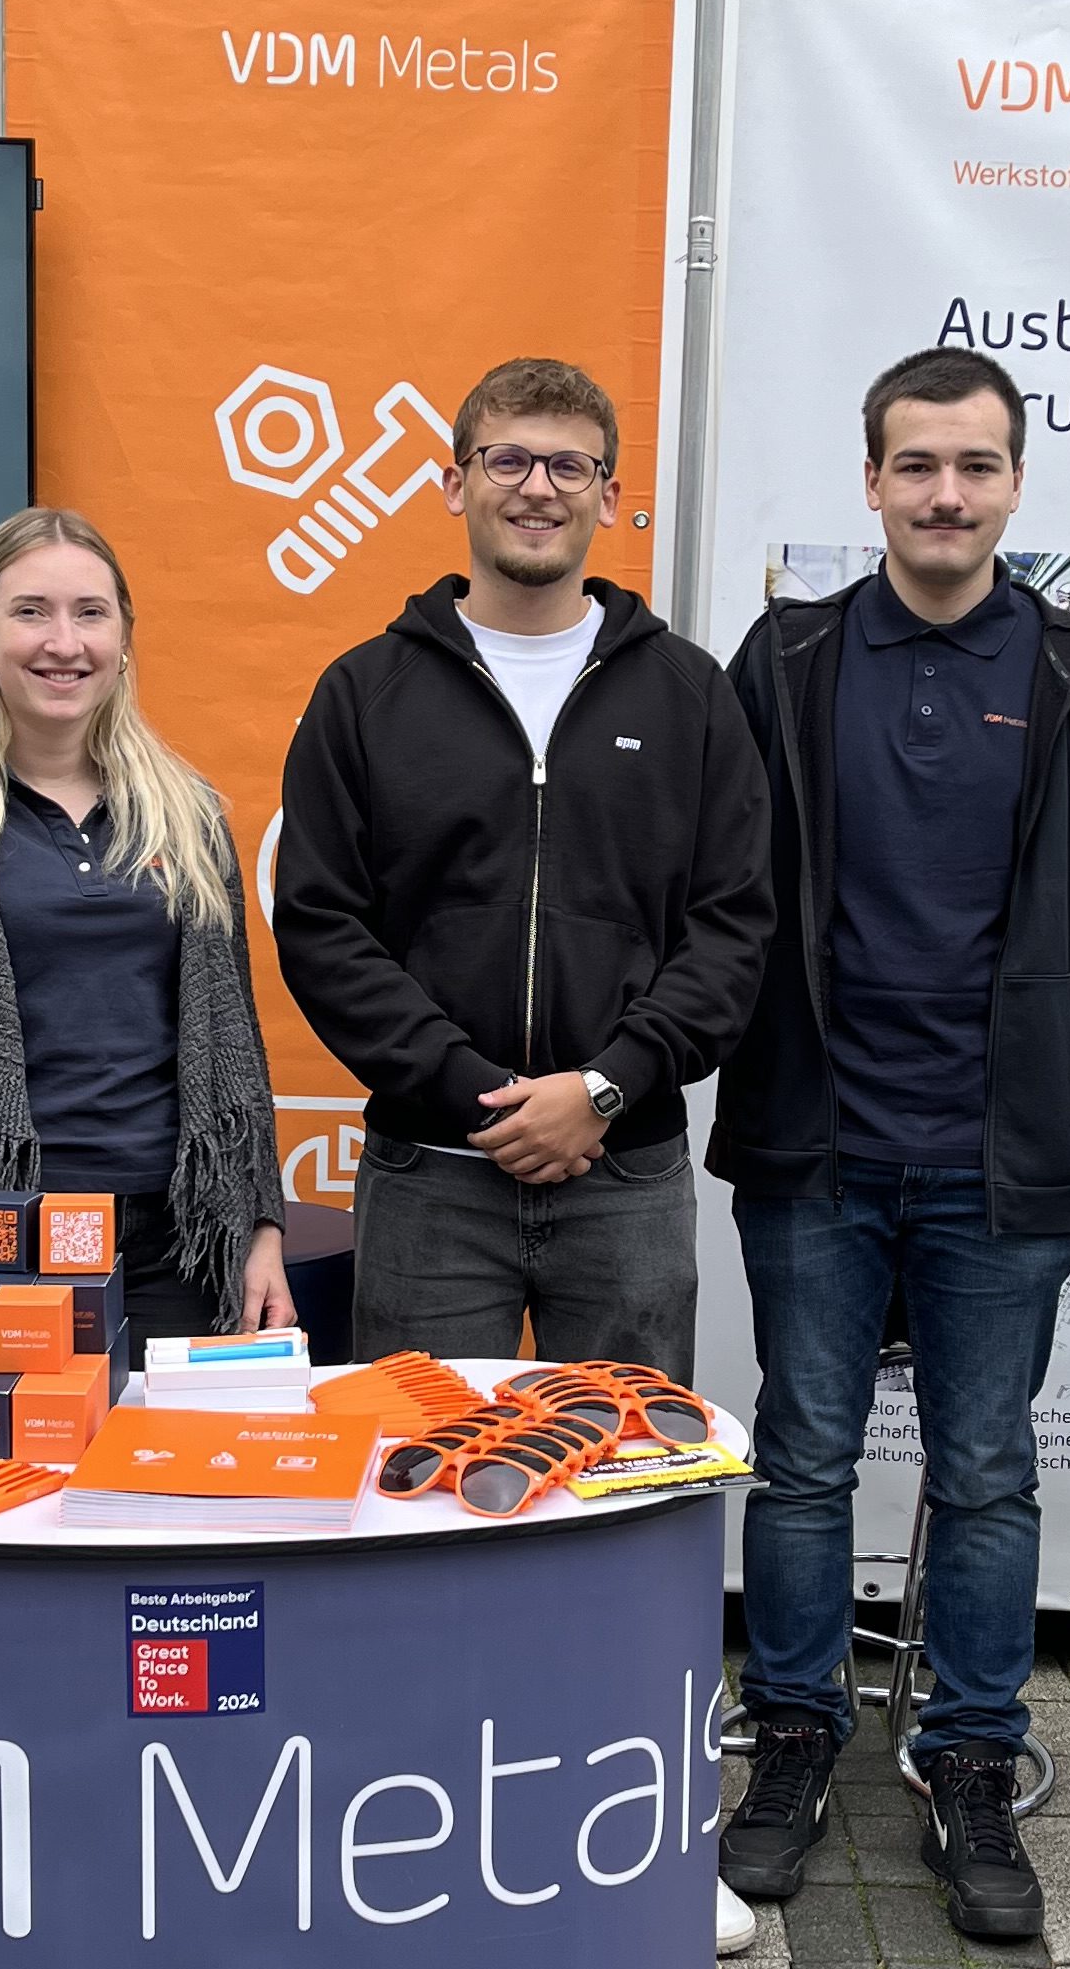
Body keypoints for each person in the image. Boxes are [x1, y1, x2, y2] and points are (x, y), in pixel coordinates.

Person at [709, 344, 1070, 1944]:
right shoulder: (787, 655)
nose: (947, 494)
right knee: (803, 1459)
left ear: (1016, 483)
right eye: (917, 465)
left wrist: (1024, 1012)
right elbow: (727, 869)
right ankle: (793, 1737)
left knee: (986, 1473)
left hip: (1000, 1151)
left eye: (976, 466)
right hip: (815, 1138)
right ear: (873, 481)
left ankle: (969, 1756)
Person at [274, 355, 771, 1384]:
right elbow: (323, 927)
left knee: (624, 1463)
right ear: (455, 484)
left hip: (625, 1171)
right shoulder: (364, 694)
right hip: (432, 1178)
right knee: (421, 1464)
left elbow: (732, 928)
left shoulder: (689, 696)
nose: (537, 488)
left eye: (567, 466)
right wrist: (478, 1093)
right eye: (507, 460)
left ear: (609, 496)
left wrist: (604, 1087)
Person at [0, 507, 292, 1352]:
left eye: (90, 613)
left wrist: (259, 1221)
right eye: (31, 611)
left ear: (124, 638)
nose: (63, 643)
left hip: (178, 1238)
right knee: (10, 1444)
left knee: (169, 1446)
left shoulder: (185, 815)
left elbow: (236, 1043)